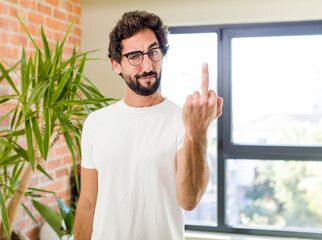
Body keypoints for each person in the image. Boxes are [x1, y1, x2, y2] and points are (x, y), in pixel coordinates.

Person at [74, 10, 223, 240]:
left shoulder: (182, 120)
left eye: (153, 52)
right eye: (134, 56)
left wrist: (198, 132)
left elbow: (189, 199)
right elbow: (87, 203)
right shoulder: (96, 123)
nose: (147, 66)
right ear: (116, 64)